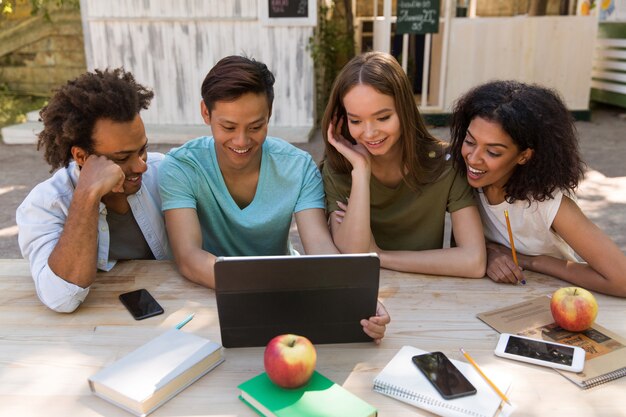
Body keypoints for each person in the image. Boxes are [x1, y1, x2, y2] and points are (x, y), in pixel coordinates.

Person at [158, 55, 389, 341]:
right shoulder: (180, 167)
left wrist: (356, 298)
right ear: (206, 113)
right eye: (228, 127)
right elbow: (189, 258)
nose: (242, 141)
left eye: (256, 126)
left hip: (283, 301)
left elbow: (319, 249)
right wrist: (270, 287)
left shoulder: (298, 166)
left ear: (269, 114)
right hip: (206, 298)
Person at [449, 80, 626, 297]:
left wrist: (531, 261)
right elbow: (459, 242)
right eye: (469, 141)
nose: (473, 159)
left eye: (493, 152)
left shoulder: (547, 204)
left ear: (524, 156)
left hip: (555, 302)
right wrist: (490, 254)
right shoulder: (463, 182)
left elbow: (622, 279)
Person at [16, 68, 171, 313]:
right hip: (93, 325)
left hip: (170, 308)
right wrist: (87, 196)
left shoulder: (162, 172)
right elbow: (60, 298)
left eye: (142, 149)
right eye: (122, 157)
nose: (141, 165)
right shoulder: (45, 204)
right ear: (81, 156)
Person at [321, 52, 486, 278]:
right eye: (356, 121)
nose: (369, 133)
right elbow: (353, 254)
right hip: (368, 298)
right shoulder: (339, 168)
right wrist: (360, 171)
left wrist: (379, 256)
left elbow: (473, 262)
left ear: (404, 110)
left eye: (383, 117)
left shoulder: (445, 164)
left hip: (430, 293)